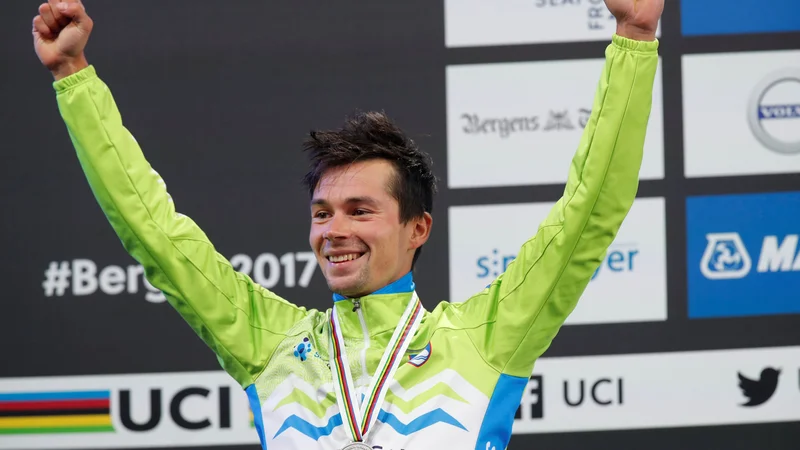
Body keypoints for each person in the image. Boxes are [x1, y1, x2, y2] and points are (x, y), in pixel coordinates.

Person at [33, 0, 663, 449]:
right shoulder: (269, 344)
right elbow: (152, 230)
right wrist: (73, 76)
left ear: (418, 228)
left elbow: (590, 208)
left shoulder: (484, 338)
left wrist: (635, 36)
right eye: (322, 213)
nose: (334, 230)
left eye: (361, 211)